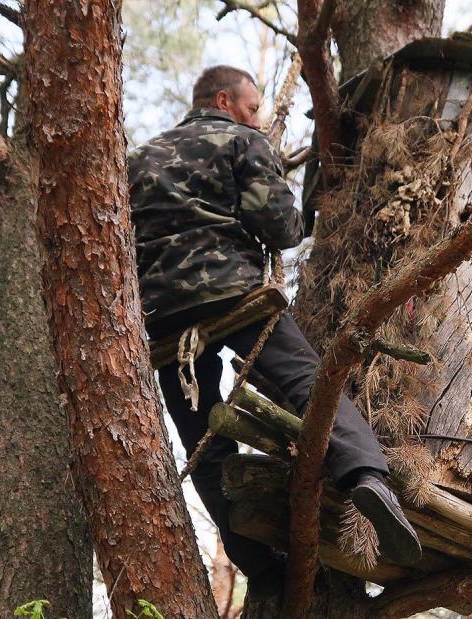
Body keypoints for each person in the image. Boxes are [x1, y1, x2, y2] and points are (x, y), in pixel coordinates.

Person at [127, 65, 422, 597]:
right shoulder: (243, 141)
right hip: (233, 294)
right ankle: (366, 476)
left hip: (163, 317)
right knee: (307, 381)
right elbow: (282, 228)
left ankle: (254, 558)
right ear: (224, 100)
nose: (258, 118)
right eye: (253, 107)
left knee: (202, 437)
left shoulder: (136, 159)